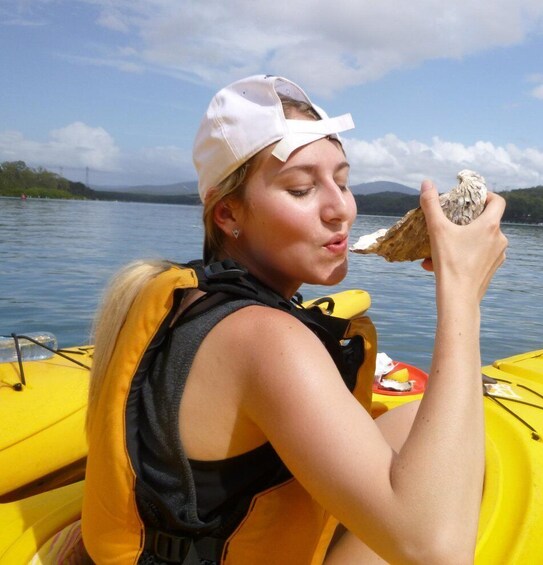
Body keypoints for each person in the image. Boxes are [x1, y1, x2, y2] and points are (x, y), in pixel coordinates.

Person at [81, 74, 507, 564]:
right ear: (228, 215)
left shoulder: (192, 295)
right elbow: (438, 552)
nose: (341, 209)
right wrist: (462, 294)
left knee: (412, 419)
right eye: (303, 189)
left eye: (342, 182)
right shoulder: (264, 338)